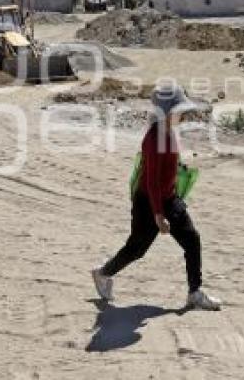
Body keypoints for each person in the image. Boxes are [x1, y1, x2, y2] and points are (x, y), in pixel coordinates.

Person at [92, 83, 221, 311]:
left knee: (192, 239)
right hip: (148, 203)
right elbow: (150, 181)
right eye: (179, 110)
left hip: (170, 199)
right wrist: (158, 215)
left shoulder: (168, 133)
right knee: (136, 249)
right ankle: (103, 273)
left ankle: (195, 292)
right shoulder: (153, 140)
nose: (183, 115)